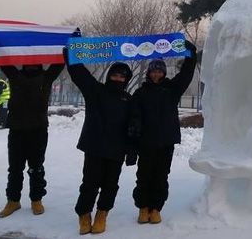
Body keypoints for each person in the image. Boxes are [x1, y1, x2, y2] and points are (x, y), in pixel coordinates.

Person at [63, 49, 134, 235]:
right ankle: (84, 214)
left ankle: (102, 214)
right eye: (115, 75)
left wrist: (132, 149)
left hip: (117, 150)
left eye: (122, 76)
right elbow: (79, 74)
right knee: (90, 183)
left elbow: (134, 126)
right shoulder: (96, 91)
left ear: (126, 80)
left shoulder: (129, 100)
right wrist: (71, 52)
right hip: (95, 146)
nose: (118, 78)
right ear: (110, 76)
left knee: (111, 185)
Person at [129, 40, 197, 225]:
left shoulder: (171, 89)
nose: (156, 73)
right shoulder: (140, 93)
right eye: (153, 70)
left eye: (159, 70)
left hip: (166, 142)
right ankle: (143, 207)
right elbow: (133, 117)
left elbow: (186, 74)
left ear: (164, 72)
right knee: (143, 176)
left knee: (161, 177)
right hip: (146, 143)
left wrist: (190, 54)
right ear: (149, 72)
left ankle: (156, 208)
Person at [0, 62, 64, 218]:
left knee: (36, 167)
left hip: (38, 130)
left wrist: (69, 40)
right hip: (16, 129)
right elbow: (3, 59)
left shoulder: (47, 77)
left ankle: (36, 199)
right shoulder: (15, 75)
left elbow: (60, 62)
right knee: (14, 168)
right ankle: (13, 200)